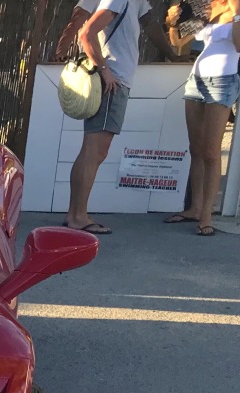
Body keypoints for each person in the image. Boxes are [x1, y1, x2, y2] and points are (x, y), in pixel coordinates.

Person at [55, 0, 182, 234]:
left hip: (116, 82)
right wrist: (104, 70)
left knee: (92, 152)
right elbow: (87, 33)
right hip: (112, 84)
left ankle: (76, 214)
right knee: (94, 152)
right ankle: (77, 216)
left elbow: (150, 24)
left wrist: (172, 55)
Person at [162, 0, 240, 235]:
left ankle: (206, 214)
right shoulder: (209, 9)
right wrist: (172, 23)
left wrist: (235, 13)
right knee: (196, 148)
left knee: (211, 152)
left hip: (223, 82)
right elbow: (178, 42)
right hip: (197, 80)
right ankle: (194, 208)